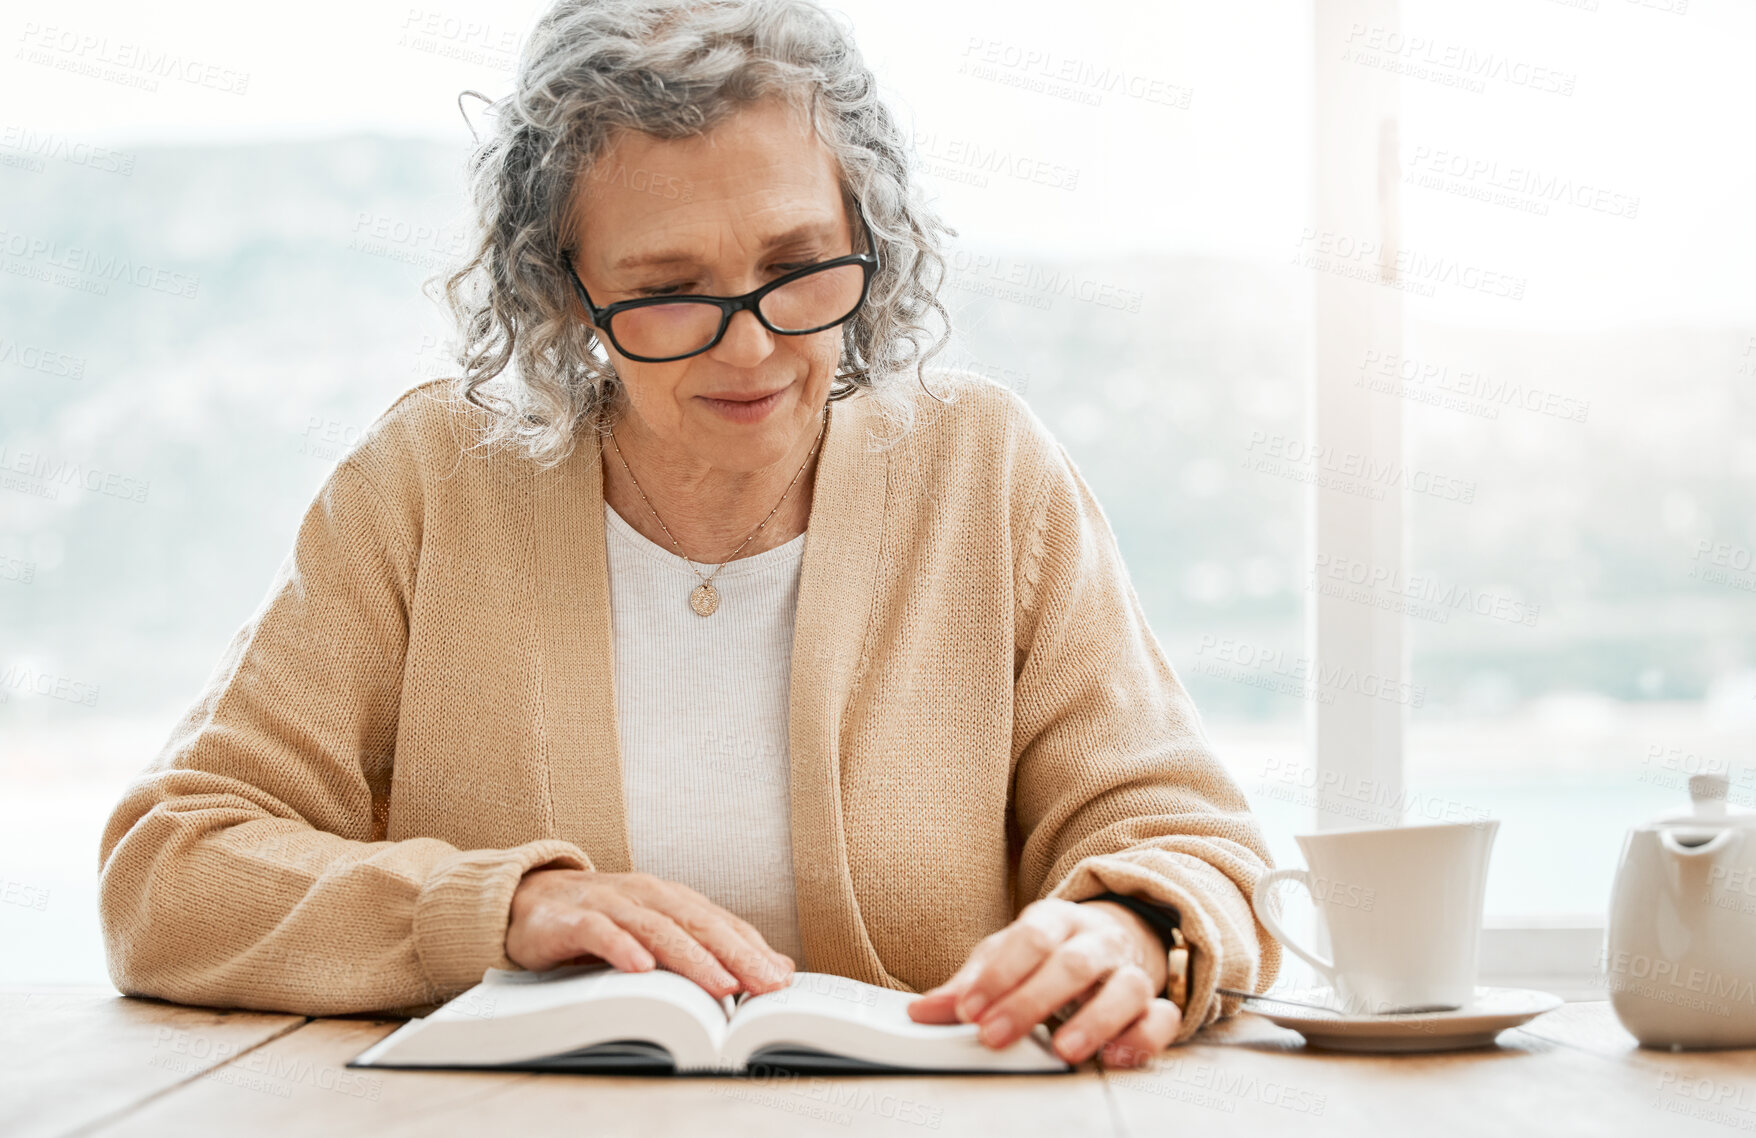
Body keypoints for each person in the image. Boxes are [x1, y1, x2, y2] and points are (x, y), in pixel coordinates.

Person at [97, 0, 1279, 1069]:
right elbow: (170, 872)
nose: (751, 346)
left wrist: (1132, 925)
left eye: (799, 266)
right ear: (561, 290)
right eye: (669, 288)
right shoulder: (428, 483)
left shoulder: (984, 468)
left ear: (870, 231)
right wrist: (494, 909)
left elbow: (1196, 845)